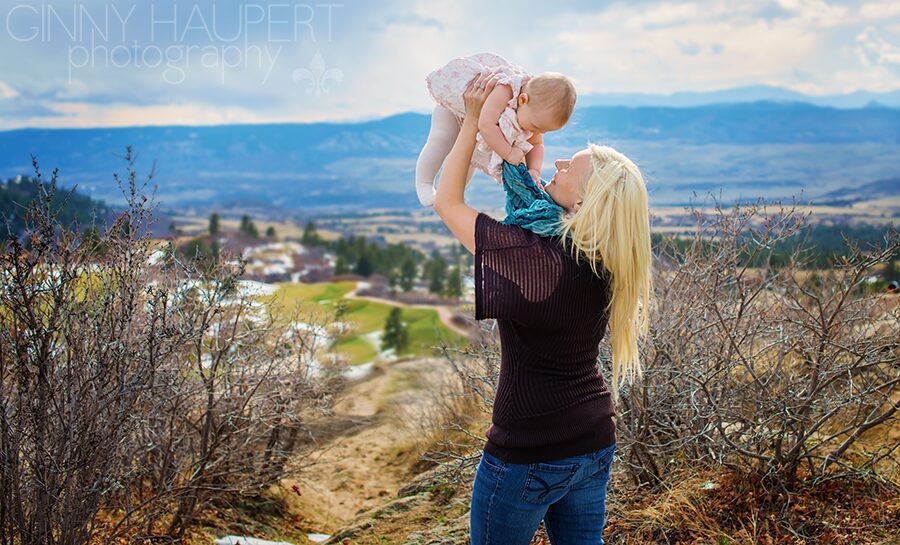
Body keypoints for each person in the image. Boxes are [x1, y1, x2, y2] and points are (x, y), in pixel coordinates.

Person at [433, 73, 652, 545]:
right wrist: (525, 125)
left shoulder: (536, 259)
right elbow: (536, 190)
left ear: (581, 200)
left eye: (568, 166)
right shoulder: (607, 256)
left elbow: (446, 200)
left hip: (529, 450)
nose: (555, 161)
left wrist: (474, 120)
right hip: (593, 439)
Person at [416, 52, 576, 207]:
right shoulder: (506, 89)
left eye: (544, 130)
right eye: (536, 126)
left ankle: (449, 192)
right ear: (522, 100)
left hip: (475, 130)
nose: (537, 132)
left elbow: (537, 144)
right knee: (442, 140)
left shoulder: (533, 112)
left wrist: (534, 170)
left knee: (470, 159)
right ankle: (425, 183)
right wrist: (508, 152)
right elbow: (486, 125)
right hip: (456, 110)